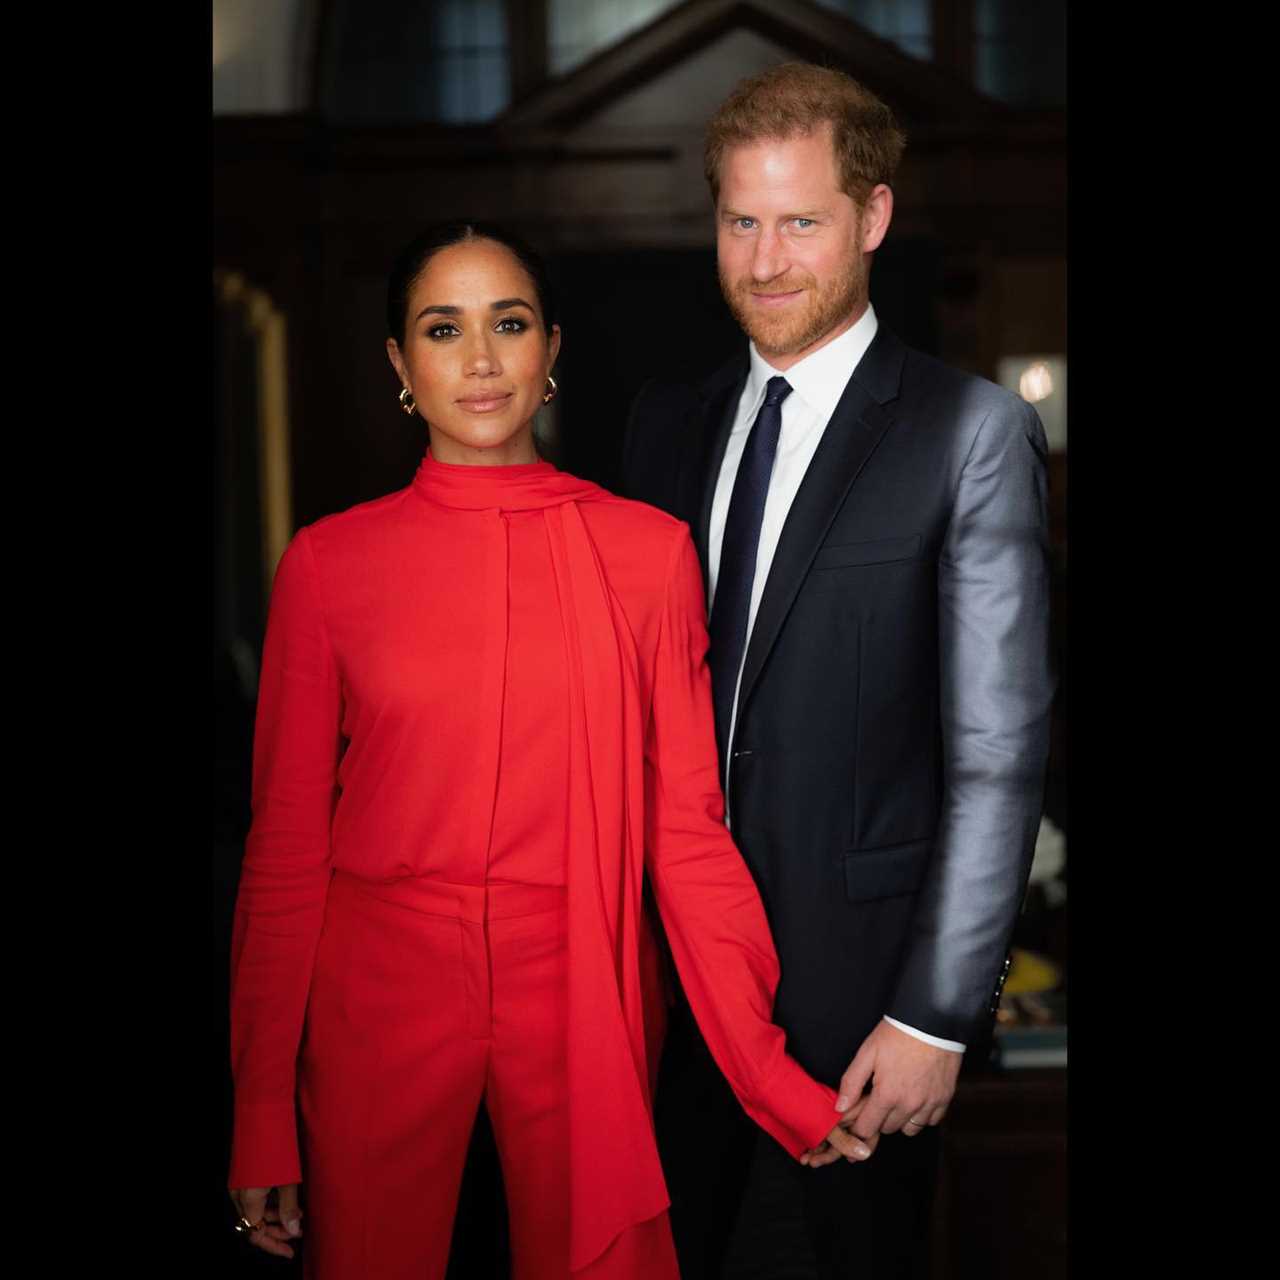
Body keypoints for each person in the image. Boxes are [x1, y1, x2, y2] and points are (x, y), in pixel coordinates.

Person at [226, 220, 880, 1279]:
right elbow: (288, 848)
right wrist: (260, 1107)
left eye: (509, 323)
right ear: (400, 363)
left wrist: (765, 1070)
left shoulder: (647, 554)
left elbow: (686, 834)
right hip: (376, 990)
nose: (480, 360)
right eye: (443, 329)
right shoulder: (326, 566)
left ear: (551, 350)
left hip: (580, 974)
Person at [621, 63, 1054, 1279]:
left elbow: (995, 755)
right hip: (666, 1012)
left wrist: (931, 1014)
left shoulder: (966, 432)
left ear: (869, 218)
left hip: (867, 1019)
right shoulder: (664, 423)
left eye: (800, 221)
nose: (763, 260)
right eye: (738, 220)